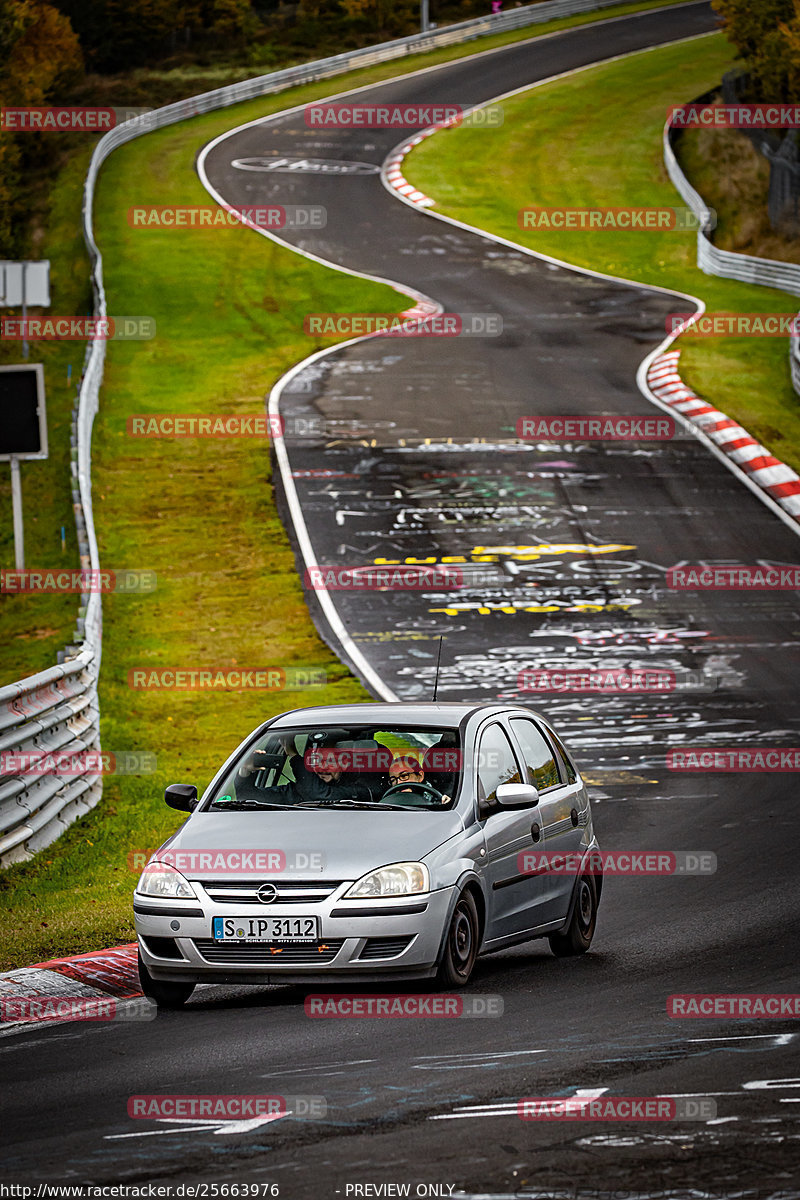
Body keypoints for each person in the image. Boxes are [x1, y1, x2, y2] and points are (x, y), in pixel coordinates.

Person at [380, 755, 449, 806]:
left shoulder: (437, 799)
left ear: (420, 776)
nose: (398, 783)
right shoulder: (387, 802)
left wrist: (446, 804)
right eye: (393, 780)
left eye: (404, 776)